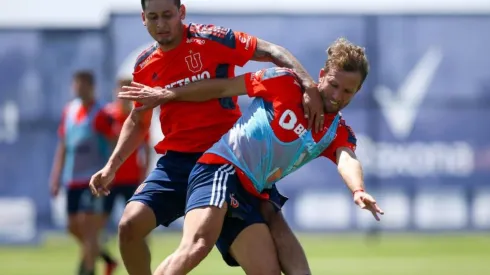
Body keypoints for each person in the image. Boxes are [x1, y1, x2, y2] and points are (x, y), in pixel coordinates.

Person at [89, 0, 324, 274]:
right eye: (153, 17)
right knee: (129, 226)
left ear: (182, 12)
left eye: (167, 15)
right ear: (143, 18)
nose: (161, 24)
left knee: (265, 269)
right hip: (177, 164)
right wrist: (111, 167)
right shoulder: (145, 66)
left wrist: (308, 84)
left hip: (228, 162)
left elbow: (272, 51)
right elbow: (138, 120)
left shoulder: (211, 39)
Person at [119, 37, 385, 274]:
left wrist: (358, 190)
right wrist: (169, 94)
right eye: (334, 85)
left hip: (252, 191)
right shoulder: (284, 82)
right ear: (322, 75)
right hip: (220, 168)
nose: (337, 96)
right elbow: (223, 88)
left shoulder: (337, 131)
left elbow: (347, 158)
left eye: (348, 91)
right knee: (197, 246)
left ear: (358, 91)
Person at [49, 71, 117, 275]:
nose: (79, 88)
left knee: (88, 229)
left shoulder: (101, 113)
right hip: (72, 179)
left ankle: (87, 270)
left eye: (83, 84)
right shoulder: (69, 111)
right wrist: (55, 176)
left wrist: (109, 170)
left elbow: (114, 142)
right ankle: (106, 258)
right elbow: (63, 145)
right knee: (72, 227)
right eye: (76, 84)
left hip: (92, 180)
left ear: (91, 87)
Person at [99, 78, 152, 275]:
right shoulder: (107, 115)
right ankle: (106, 260)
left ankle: (142, 264)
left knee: (137, 225)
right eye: (121, 90)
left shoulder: (138, 116)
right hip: (110, 180)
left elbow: (145, 148)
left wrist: (144, 176)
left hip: (132, 181)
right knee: (96, 226)